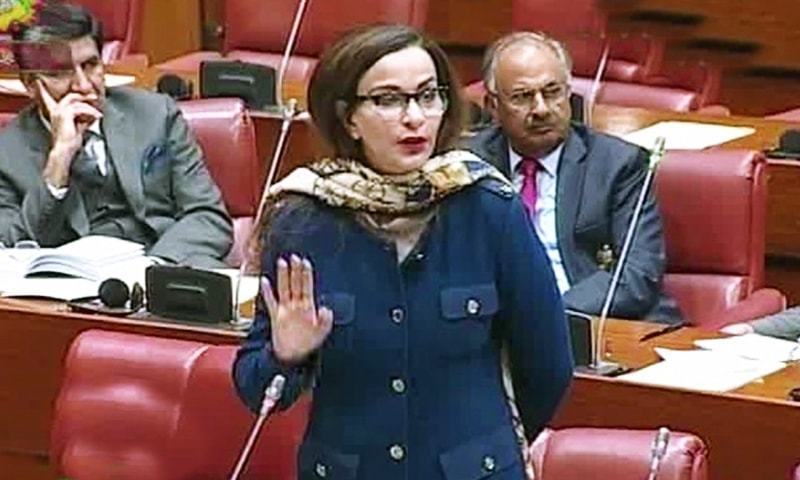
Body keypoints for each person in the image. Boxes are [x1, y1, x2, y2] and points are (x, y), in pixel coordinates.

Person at [233, 24, 572, 480]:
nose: (414, 117)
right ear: (348, 117)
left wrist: (486, 446)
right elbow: (255, 390)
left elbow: (548, 365)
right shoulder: (302, 220)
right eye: (388, 99)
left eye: (428, 96)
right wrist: (285, 356)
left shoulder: (488, 207)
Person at [466, 31, 681, 323]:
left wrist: (546, 317)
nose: (541, 109)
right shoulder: (467, 165)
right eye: (522, 97)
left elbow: (636, 274)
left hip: (592, 320)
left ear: (569, 92)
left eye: (552, 92)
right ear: (493, 106)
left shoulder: (618, 164)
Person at [0, 3, 232, 267]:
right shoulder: (7, 153)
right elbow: (11, 247)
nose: (83, 85)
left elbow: (208, 215)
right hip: (72, 283)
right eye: (60, 73)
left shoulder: (156, 115)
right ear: (30, 84)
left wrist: (156, 266)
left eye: (90, 65)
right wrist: (58, 162)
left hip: (165, 263)